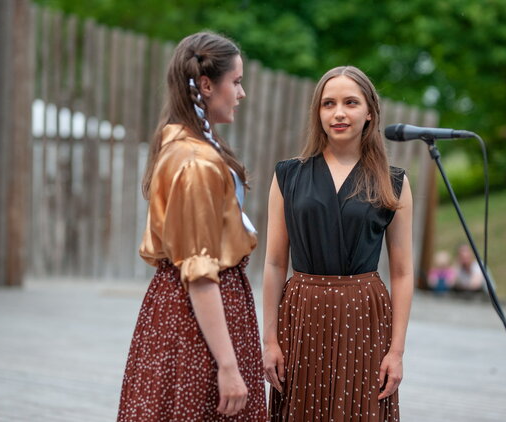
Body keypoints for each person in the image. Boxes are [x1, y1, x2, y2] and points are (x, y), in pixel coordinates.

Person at [117, 32, 266, 421]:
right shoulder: (195, 162)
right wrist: (228, 367)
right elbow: (199, 273)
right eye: (235, 81)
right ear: (205, 85)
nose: (241, 93)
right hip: (196, 322)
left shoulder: (187, 146)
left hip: (187, 312)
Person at [262, 66, 414, 421]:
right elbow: (273, 263)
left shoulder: (393, 181)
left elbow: (403, 272)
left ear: (370, 113)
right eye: (328, 104)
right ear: (318, 113)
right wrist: (270, 341)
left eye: (350, 102)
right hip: (301, 315)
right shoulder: (288, 174)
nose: (339, 113)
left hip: (364, 315)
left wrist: (396, 351)